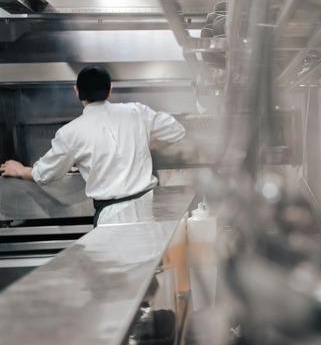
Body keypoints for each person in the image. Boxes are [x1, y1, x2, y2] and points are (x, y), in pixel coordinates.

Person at [0, 65, 186, 225]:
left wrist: (19, 169)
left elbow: (44, 174)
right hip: (148, 208)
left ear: (77, 92)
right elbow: (177, 131)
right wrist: (147, 142)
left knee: (116, 265)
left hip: (112, 217)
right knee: (150, 263)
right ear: (110, 90)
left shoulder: (71, 132)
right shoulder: (136, 112)